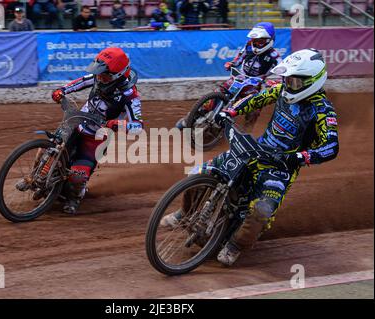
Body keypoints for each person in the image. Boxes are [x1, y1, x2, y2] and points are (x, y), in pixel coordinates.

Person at [162, 48, 339, 266]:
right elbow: (257, 98)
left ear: (311, 81)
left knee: (261, 210)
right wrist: (231, 111)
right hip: (256, 149)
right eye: (286, 79)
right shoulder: (282, 90)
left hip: (281, 166)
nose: (287, 84)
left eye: (293, 81)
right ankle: (185, 212)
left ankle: (235, 246)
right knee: (198, 172)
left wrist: (301, 157)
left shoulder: (322, 110)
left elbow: (331, 147)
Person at [50, 48, 143, 214]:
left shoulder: (130, 95)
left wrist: (117, 125)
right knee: (48, 149)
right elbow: (79, 82)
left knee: (77, 176)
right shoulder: (98, 77)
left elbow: (138, 127)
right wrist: (61, 90)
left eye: (103, 75)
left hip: (95, 139)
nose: (99, 77)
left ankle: (76, 196)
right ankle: (36, 177)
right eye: (98, 73)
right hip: (76, 122)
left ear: (116, 75)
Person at [175, 22, 282, 129]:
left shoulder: (274, 56)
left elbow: (283, 72)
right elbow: (239, 58)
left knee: (255, 108)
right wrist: (232, 63)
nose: (256, 43)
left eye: (260, 41)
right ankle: (189, 119)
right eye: (255, 40)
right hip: (238, 78)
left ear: (269, 40)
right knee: (216, 95)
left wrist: (275, 83)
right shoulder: (249, 46)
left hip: (253, 85)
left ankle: (246, 133)